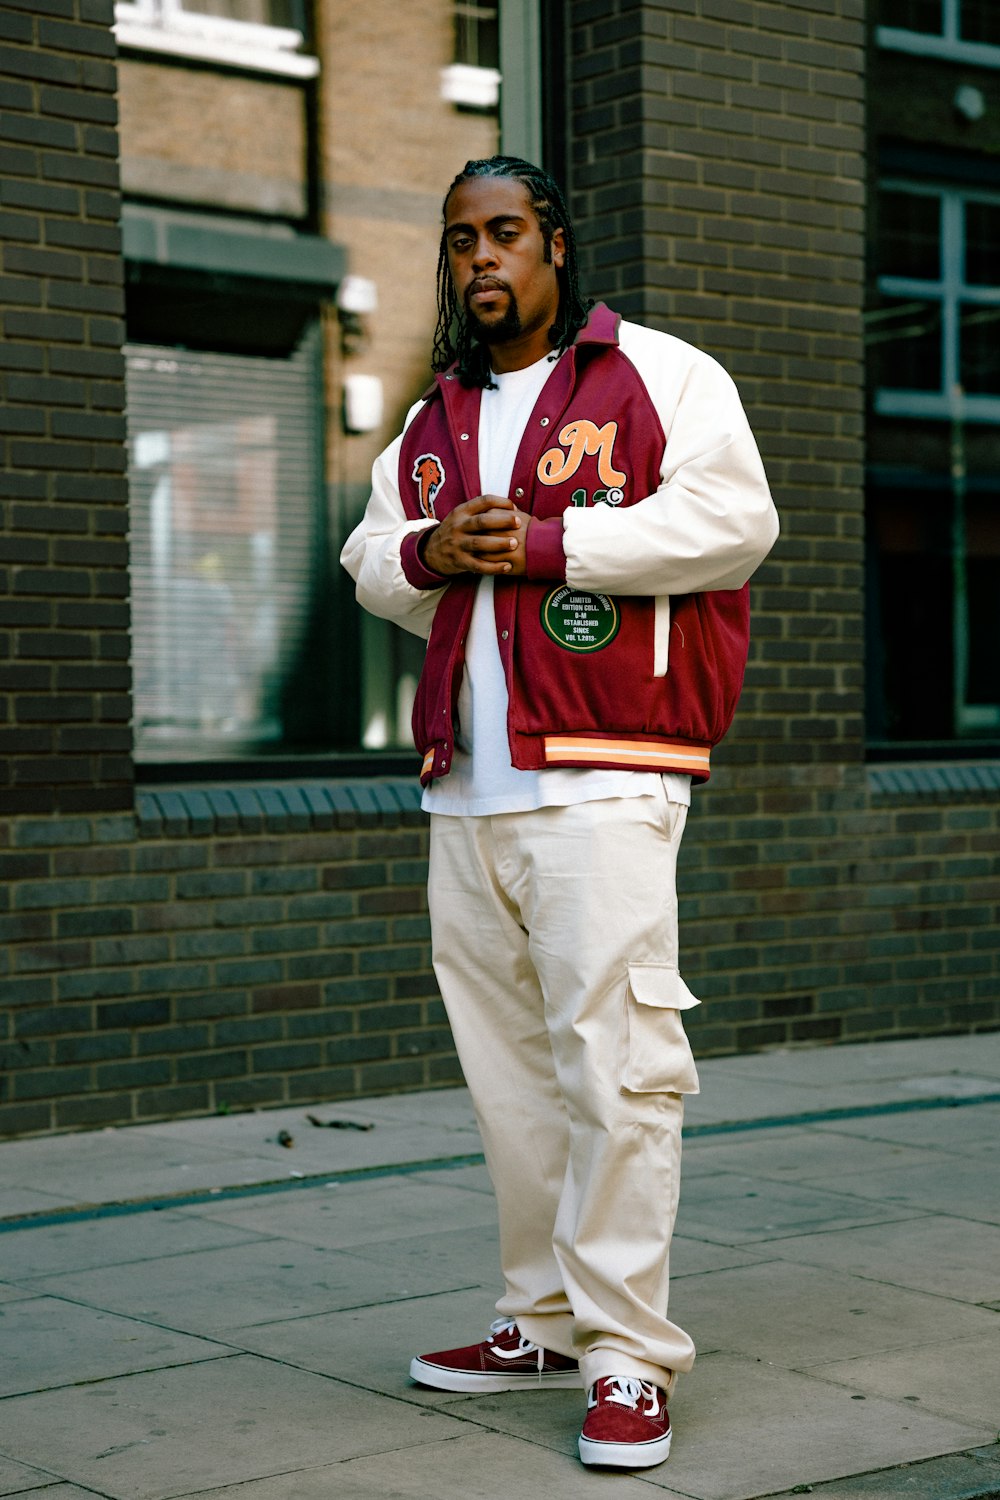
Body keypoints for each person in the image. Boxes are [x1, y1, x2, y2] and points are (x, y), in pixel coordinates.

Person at [341, 155, 778, 1471]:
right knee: (514, 1085)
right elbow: (370, 557)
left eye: (506, 234)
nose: (482, 260)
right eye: (461, 238)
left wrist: (541, 544)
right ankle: (539, 1318)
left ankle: (627, 1353)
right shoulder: (433, 419)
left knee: (620, 1072)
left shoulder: (657, 374)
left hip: (606, 775)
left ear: (556, 245)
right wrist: (432, 550)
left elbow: (732, 522)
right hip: (464, 789)